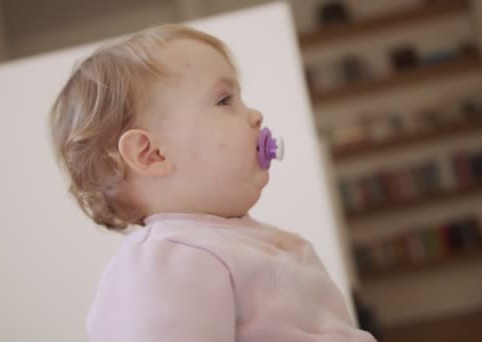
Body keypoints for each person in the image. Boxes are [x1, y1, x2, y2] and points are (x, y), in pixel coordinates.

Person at [49, 23, 377, 342]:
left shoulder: (233, 242)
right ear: (152, 154)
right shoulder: (170, 264)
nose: (255, 115)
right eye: (224, 101)